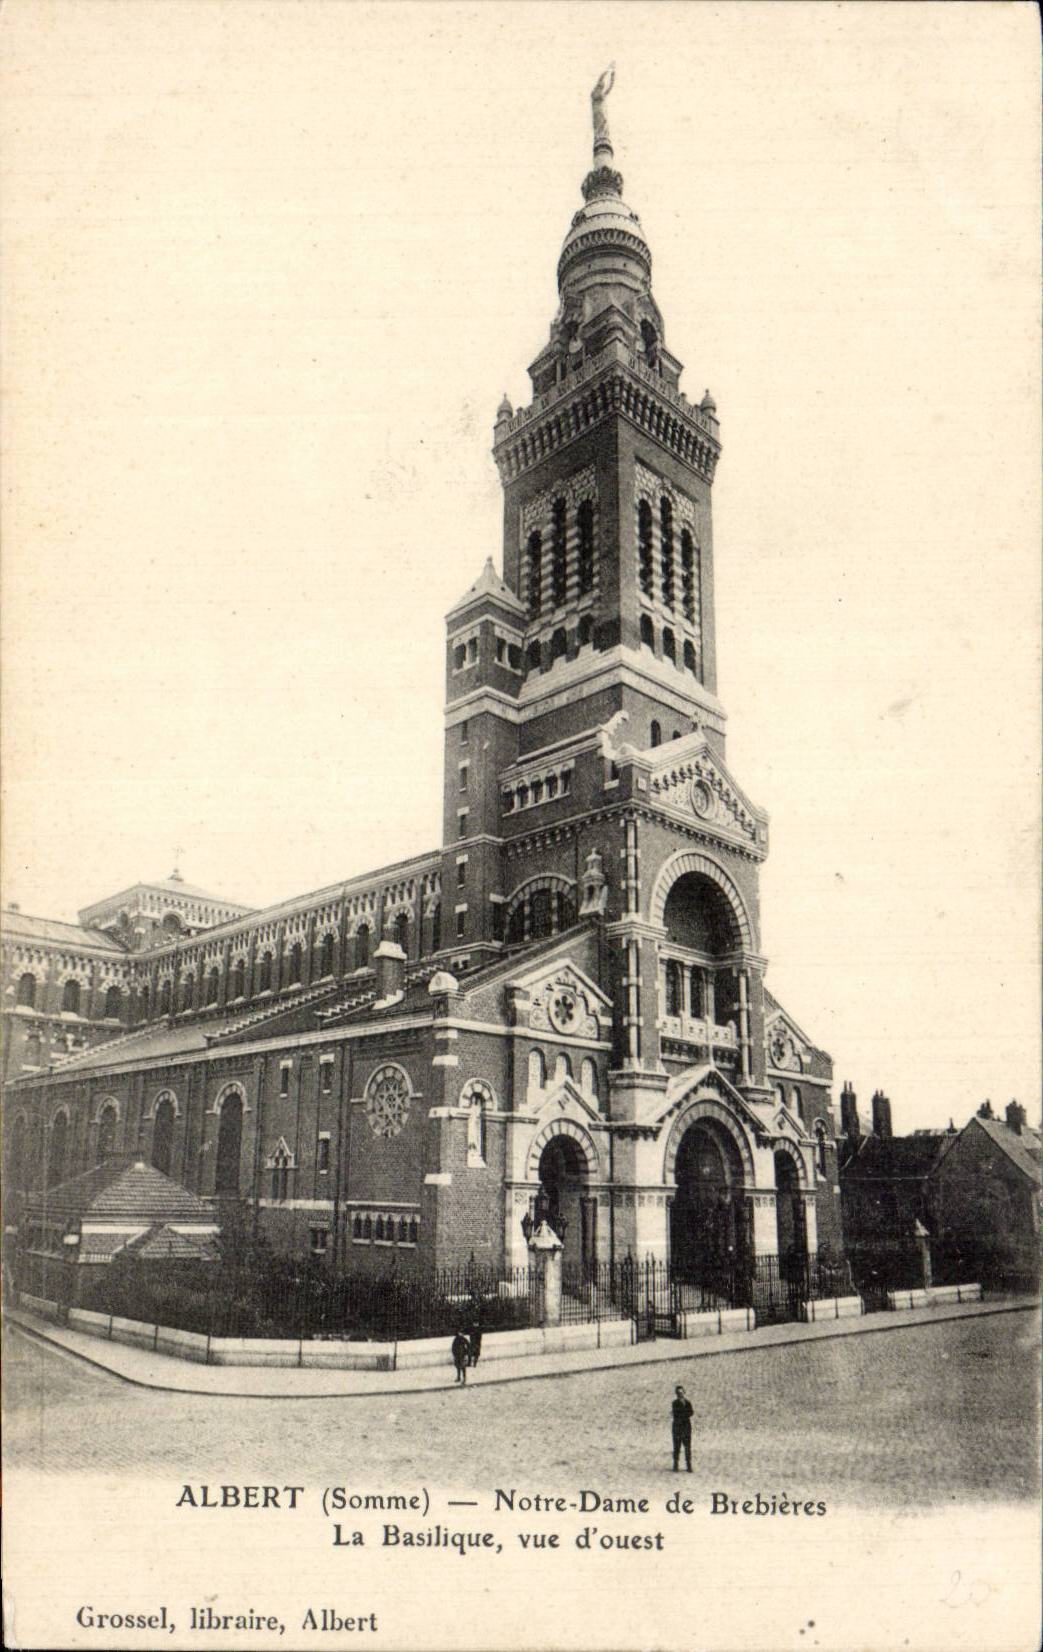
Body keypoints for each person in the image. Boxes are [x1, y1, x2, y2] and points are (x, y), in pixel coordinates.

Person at [671, 1384, 693, 1472]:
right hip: (678, 1427)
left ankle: (689, 1465)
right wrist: (685, 1415)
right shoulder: (675, 1403)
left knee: (687, 1447)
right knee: (677, 1446)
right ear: (676, 1393)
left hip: (686, 1427)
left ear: (684, 1392)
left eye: (681, 1392)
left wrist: (684, 1415)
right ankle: (675, 1465)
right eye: (678, 1392)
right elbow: (676, 1413)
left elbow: (691, 1412)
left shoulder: (688, 1402)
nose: (680, 1394)